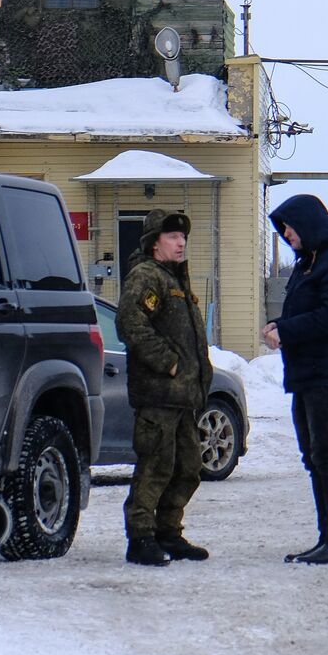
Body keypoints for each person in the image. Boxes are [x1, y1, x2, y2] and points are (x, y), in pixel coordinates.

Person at [263, 194, 328, 566]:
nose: (286, 234)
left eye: (289, 227)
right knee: (314, 457)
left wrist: (285, 330)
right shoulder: (309, 264)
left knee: (327, 456)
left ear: (307, 223)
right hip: (307, 375)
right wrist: (279, 324)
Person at [116, 208, 214, 567]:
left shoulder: (175, 280)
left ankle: (168, 532)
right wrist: (168, 361)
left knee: (187, 467)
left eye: (183, 237)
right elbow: (130, 323)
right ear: (154, 243)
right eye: (173, 237)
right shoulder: (146, 276)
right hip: (159, 395)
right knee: (155, 465)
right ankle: (140, 537)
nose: (181, 242)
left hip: (182, 397)